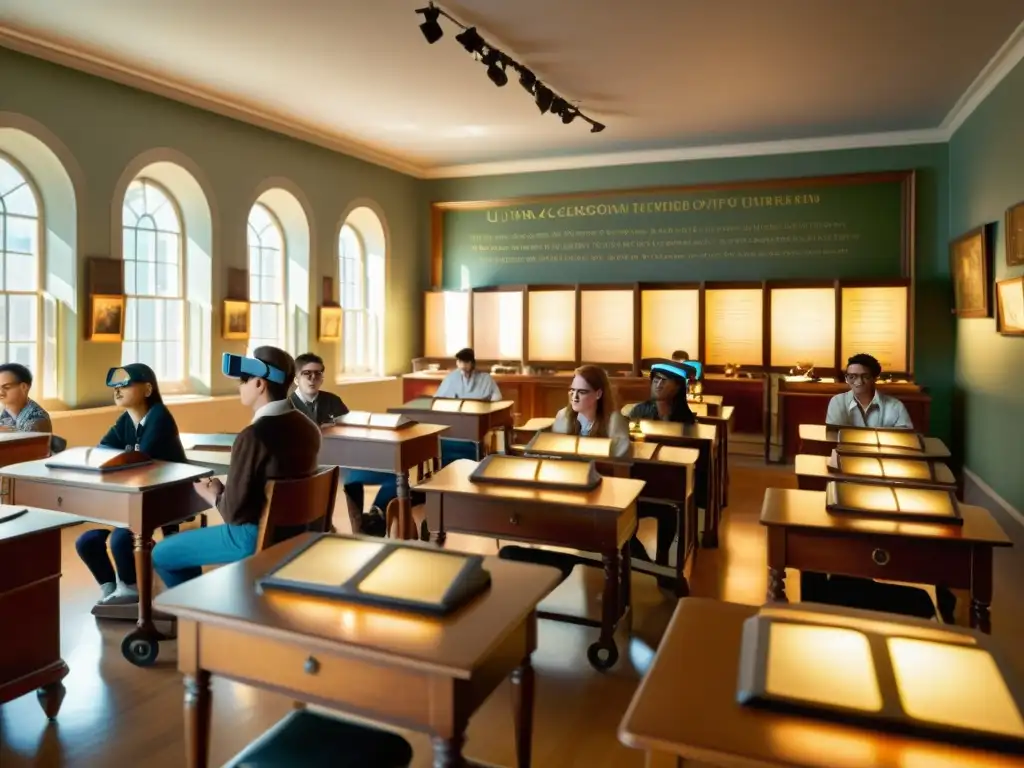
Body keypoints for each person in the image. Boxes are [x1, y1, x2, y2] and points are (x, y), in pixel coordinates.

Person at [151, 347, 320, 588]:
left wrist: (213, 495)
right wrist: (226, 493)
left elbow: (234, 514)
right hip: (297, 532)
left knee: (162, 553)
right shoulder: (307, 427)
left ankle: (193, 614)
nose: (239, 386)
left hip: (251, 538)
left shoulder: (252, 436)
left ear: (260, 384)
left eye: (244, 380)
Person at [75, 364, 187, 606]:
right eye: (115, 386)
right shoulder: (126, 419)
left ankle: (131, 589)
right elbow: (101, 450)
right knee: (86, 542)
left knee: (120, 539)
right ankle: (112, 588)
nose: (117, 390)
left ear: (148, 389)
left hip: (165, 496)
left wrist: (120, 458)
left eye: (125, 384)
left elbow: (142, 459)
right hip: (134, 495)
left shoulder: (159, 416)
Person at [627, 361, 697, 564]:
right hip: (637, 479)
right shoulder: (639, 411)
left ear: (677, 387)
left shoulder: (685, 419)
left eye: (664, 381)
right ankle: (645, 564)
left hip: (669, 482)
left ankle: (662, 561)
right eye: (655, 380)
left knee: (669, 513)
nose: (658, 385)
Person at [435, 347, 502, 466]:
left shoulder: (485, 378)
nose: (463, 365)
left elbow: (497, 397)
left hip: (476, 422)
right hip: (454, 422)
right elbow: (438, 399)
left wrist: (487, 407)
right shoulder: (451, 378)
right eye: (460, 362)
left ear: (472, 363)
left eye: (466, 362)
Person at [552, 365, 630, 457]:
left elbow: (618, 461)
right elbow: (557, 453)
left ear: (598, 394)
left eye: (582, 392)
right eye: (572, 390)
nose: (574, 397)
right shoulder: (563, 416)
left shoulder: (614, 420)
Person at [825, 353, 913, 428]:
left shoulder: (895, 406)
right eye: (852, 377)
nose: (858, 382)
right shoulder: (837, 402)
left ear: (875, 378)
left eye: (865, 376)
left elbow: (905, 438)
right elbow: (833, 435)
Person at [290, 352, 349, 425]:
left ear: (322, 379)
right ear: (296, 380)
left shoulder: (333, 401)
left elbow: (345, 428)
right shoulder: (285, 406)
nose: (313, 378)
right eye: (307, 373)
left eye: (318, 373)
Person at [0, 362, 51, 433]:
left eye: (6, 387)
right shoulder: (6, 412)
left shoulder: (38, 420)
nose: (1, 392)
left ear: (23, 387)